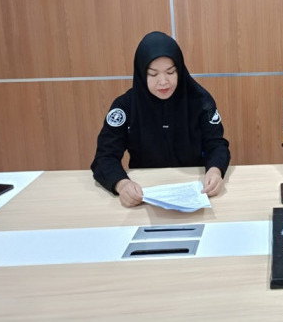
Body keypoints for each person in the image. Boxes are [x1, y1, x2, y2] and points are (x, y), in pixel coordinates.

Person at [91, 31, 231, 207]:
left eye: (170, 72)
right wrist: (121, 184)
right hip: (144, 192)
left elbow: (216, 145)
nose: (163, 81)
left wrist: (215, 171)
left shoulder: (200, 100)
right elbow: (105, 156)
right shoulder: (125, 107)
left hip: (194, 188)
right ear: (141, 74)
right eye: (153, 74)